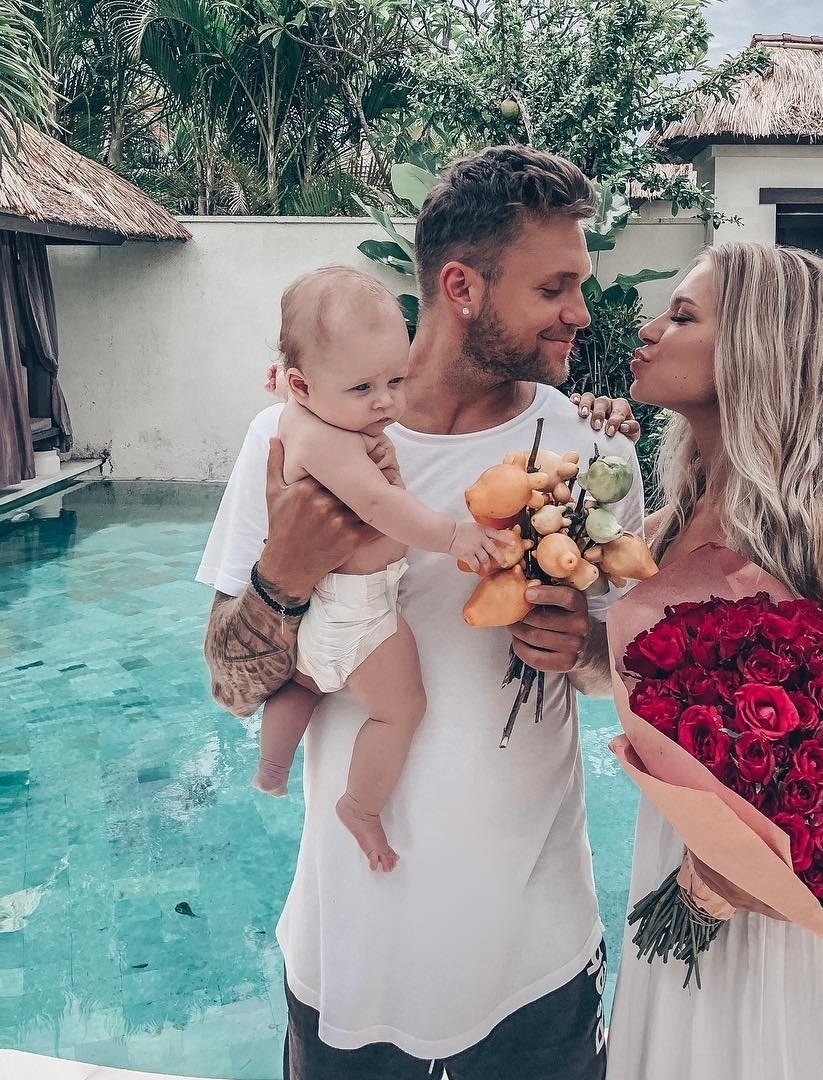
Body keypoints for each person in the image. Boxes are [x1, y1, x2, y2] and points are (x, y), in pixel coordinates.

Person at [198, 146, 642, 1079]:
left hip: (536, 954)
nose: (580, 311)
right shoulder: (289, 445)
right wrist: (285, 572)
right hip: (351, 945)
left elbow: (628, 676)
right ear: (461, 287)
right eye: (553, 287)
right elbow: (231, 686)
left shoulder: (590, 454)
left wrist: (584, 646)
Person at [606, 241, 823, 1080]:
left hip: (785, 918)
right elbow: (643, 690)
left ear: (755, 350)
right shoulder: (663, 528)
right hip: (676, 858)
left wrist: (737, 875)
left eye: (681, 316)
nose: (647, 330)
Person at [252, 267, 510, 875]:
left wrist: (294, 388)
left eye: (395, 380)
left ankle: (271, 766)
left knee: (302, 685)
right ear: (304, 384)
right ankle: (361, 806)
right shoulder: (332, 442)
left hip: (319, 611)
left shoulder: (304, 413)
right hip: (361, 613)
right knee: (401, 710)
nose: (386, 402)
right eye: (363, 387)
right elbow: (378, 505)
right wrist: (454, 536)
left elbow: (303, 389)